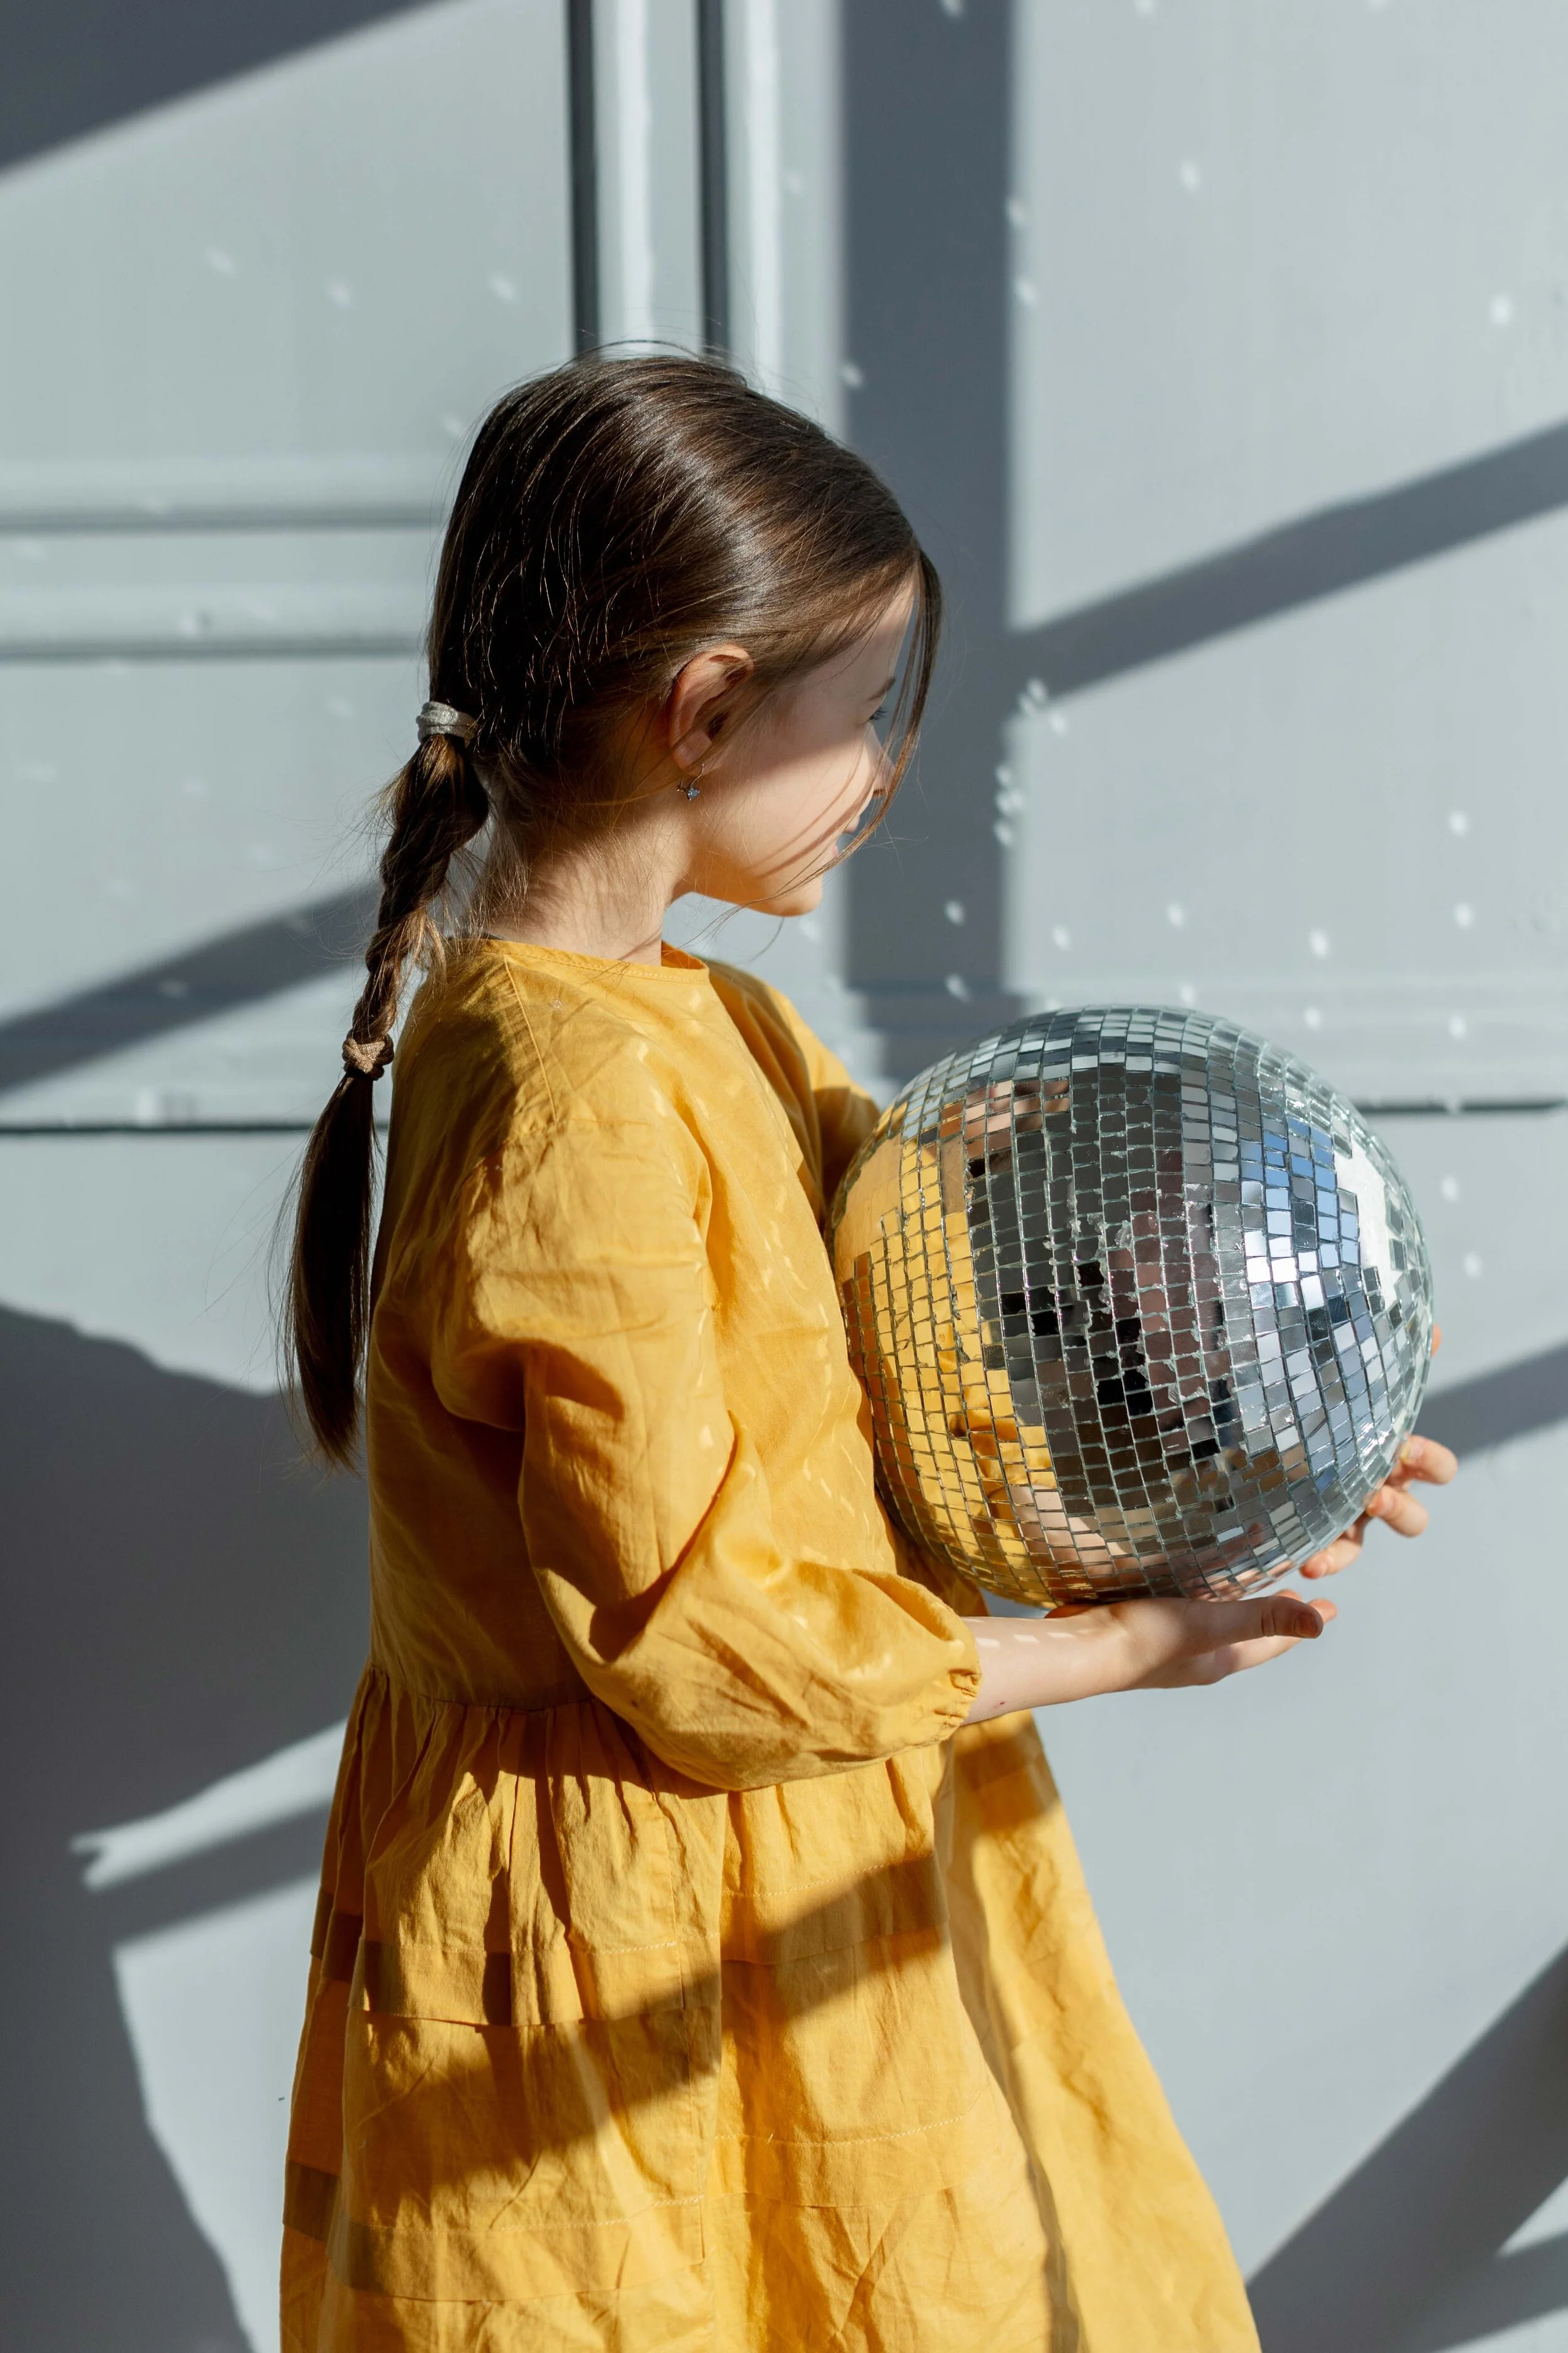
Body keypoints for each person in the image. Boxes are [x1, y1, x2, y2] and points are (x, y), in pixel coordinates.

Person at [280, 354, 1454, 2351]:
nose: (888, 770)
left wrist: (1238, 1457)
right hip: (636, 1943)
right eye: (871, 711)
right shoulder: (575, 1096)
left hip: (786, 1860)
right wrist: (1121, 1648)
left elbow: (898, 1374)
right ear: (705, 708)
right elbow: (708, 1642)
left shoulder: (709, 1025)